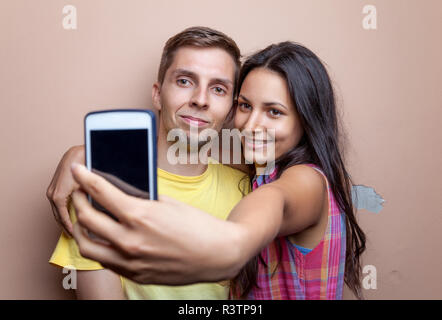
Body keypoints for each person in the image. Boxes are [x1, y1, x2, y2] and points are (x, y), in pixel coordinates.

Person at [63, 42, 367, 299]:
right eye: (246, 106)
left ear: (306, 120)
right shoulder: (255, 175)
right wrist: (83, 154)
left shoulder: (307, 180)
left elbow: (276, 202)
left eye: (274, 112)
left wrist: (232, 245)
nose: (251, 125)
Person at [47, 26, 251, 299]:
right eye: (184, 81)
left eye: (218, 88)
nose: (200, 100)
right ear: (157, 94)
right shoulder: (101, 188)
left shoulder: (248, 190)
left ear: (230, 109)